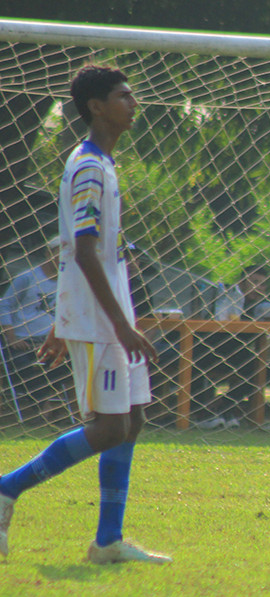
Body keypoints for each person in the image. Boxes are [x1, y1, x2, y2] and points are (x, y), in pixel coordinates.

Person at [0, 65, 169, 564]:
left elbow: (87, 253)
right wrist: (117, 326)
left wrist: (60, 319)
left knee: (133, 420)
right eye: (123, 95)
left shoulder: (104, 163)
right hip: (103, 323)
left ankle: (108, 542)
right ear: (97, 106)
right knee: (110, 427)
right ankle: (7, 487)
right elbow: (83, 251)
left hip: (104, 316)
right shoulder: (89, 167)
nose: (133, 103)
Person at [195, 265, 270, 429]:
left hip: (234, 352)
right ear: (242, 282)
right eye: (254, 282)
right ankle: (201, 412)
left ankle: (222, 406)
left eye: (263, 284)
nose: (258, 288)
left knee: (264, 370)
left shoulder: (260, 307)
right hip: (207, 347)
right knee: (195, 362)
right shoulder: (224, 297)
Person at [0, 236, 72, 421]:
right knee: (27, 368)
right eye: (59, 252)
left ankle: (50, 402)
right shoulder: (27, 277)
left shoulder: (69, 282)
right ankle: (42, 406)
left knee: (73, 363)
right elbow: (5, 305)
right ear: (49, 253)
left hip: (54, 341)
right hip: (23, 340)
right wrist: (12, 337)